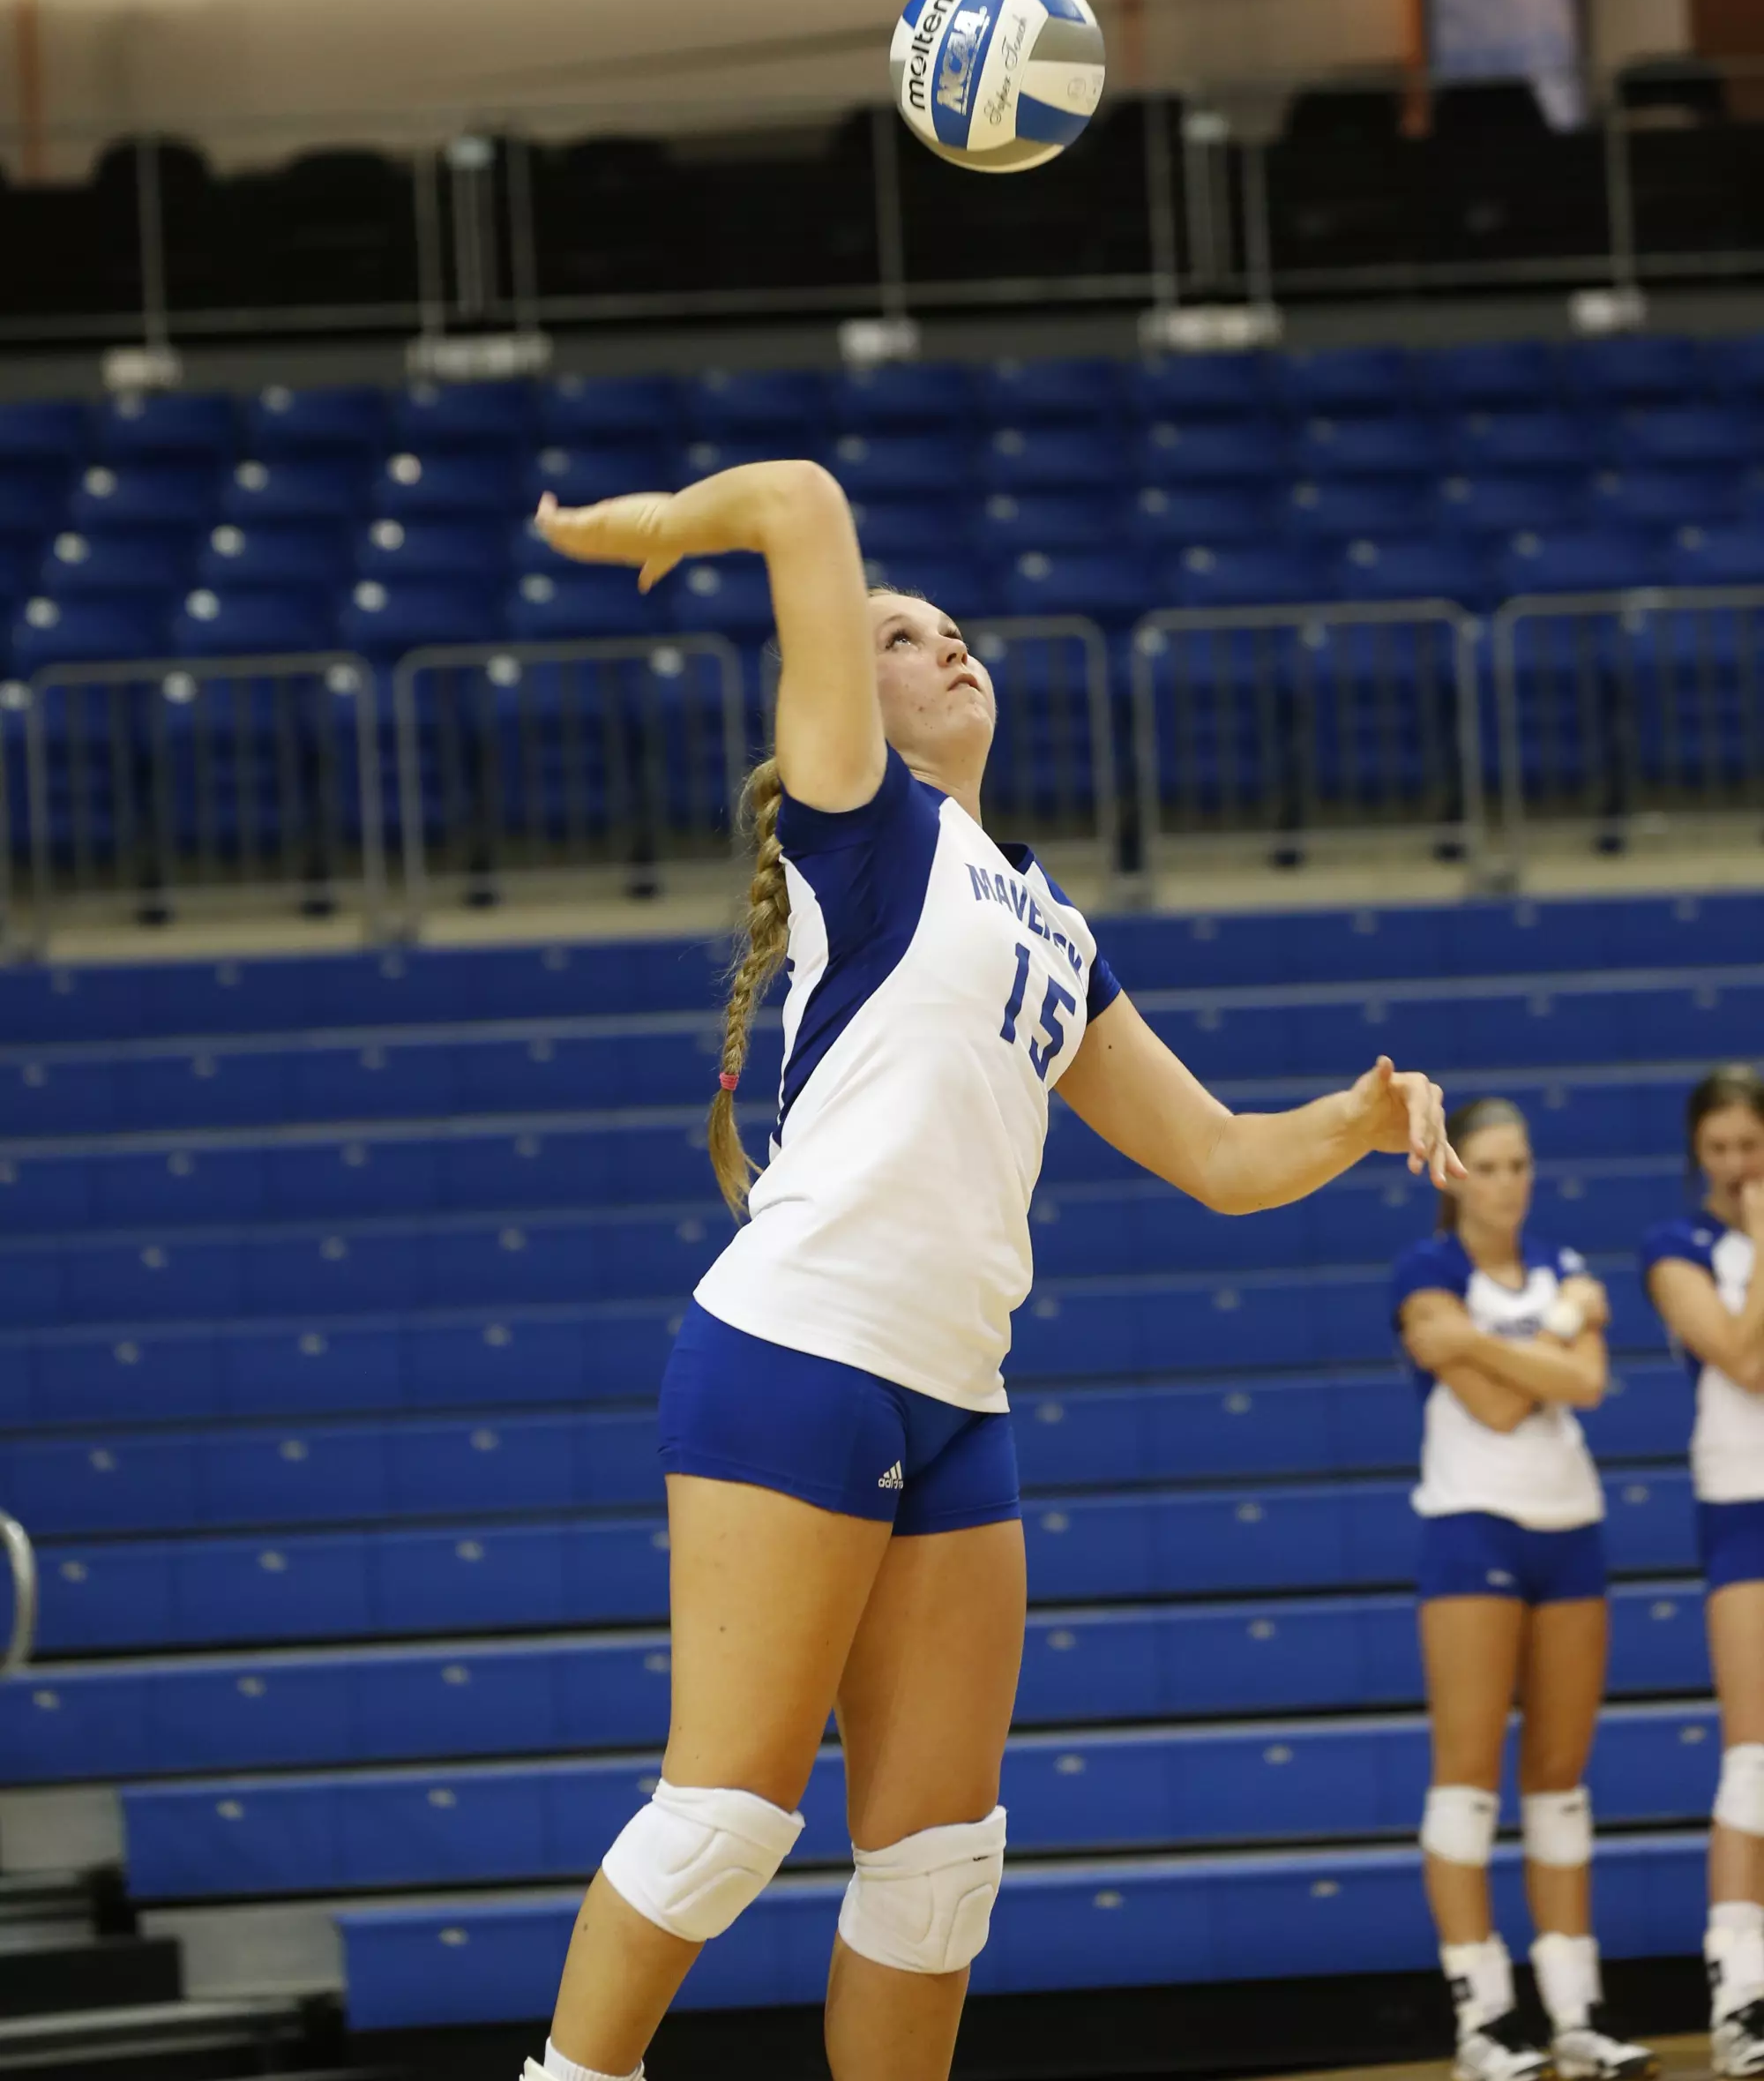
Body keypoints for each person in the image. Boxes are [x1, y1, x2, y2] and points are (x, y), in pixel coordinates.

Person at [523, 455, 1462, 2081]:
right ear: (838, 699)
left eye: (956, 629)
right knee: (727, 1821)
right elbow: (808, 504)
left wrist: (1357, 1120)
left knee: (943, 1868)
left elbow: (1225, 1164)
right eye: (901, 635)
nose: (946, 643)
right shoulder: (861, 825)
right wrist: (672, 527)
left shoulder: (1052, 922)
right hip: (797, 1352)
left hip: (958, 1396)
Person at [1394, 1095, 1653, 2081]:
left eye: (1519, 1165)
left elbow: (1583, 1388)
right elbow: (1499, 1409)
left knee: (1558, 1782)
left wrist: (1482, 1339)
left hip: (1569, 1530)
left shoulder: (1565, 1269)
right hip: (1471, 1530)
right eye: (1490, 1165)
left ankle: (1575, 2015)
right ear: (1459, 1176)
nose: (1507, 1182)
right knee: (1465, 1782)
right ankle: (1482, 2022)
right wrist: (1548, 1337)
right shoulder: (1423, 1270)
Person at [1641, 1065, 1764, 2079]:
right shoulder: (1676, 1248)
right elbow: (1741, 1355)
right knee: (1752, 1758)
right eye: (1718, 1151)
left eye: (1750, 1148)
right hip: (1743, 1507)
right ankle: (1737, 1992)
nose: (1734, 1168)